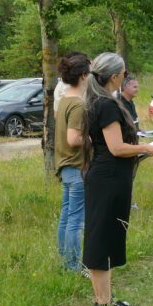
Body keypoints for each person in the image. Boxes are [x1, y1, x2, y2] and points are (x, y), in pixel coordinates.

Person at [82, 52, 153, 306]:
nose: (126, 76)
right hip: (109, 178)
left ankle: (105, 298)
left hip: (107, 176)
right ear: (115, 76)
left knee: (104, 235)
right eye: (124, 73)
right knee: (102, 237)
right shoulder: (107, 105)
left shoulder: (97, 101)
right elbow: (116, 147)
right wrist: (146, 148)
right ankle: (103, 303)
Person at [54, 52, 90, 274]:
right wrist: (94, 138)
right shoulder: (77, 104)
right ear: (84, 76)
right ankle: (74, 266)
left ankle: (65, 260)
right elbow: (73, 139)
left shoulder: (65, 99)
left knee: (66, 215)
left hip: (66, 167)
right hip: (76, 167)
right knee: (76, 220)